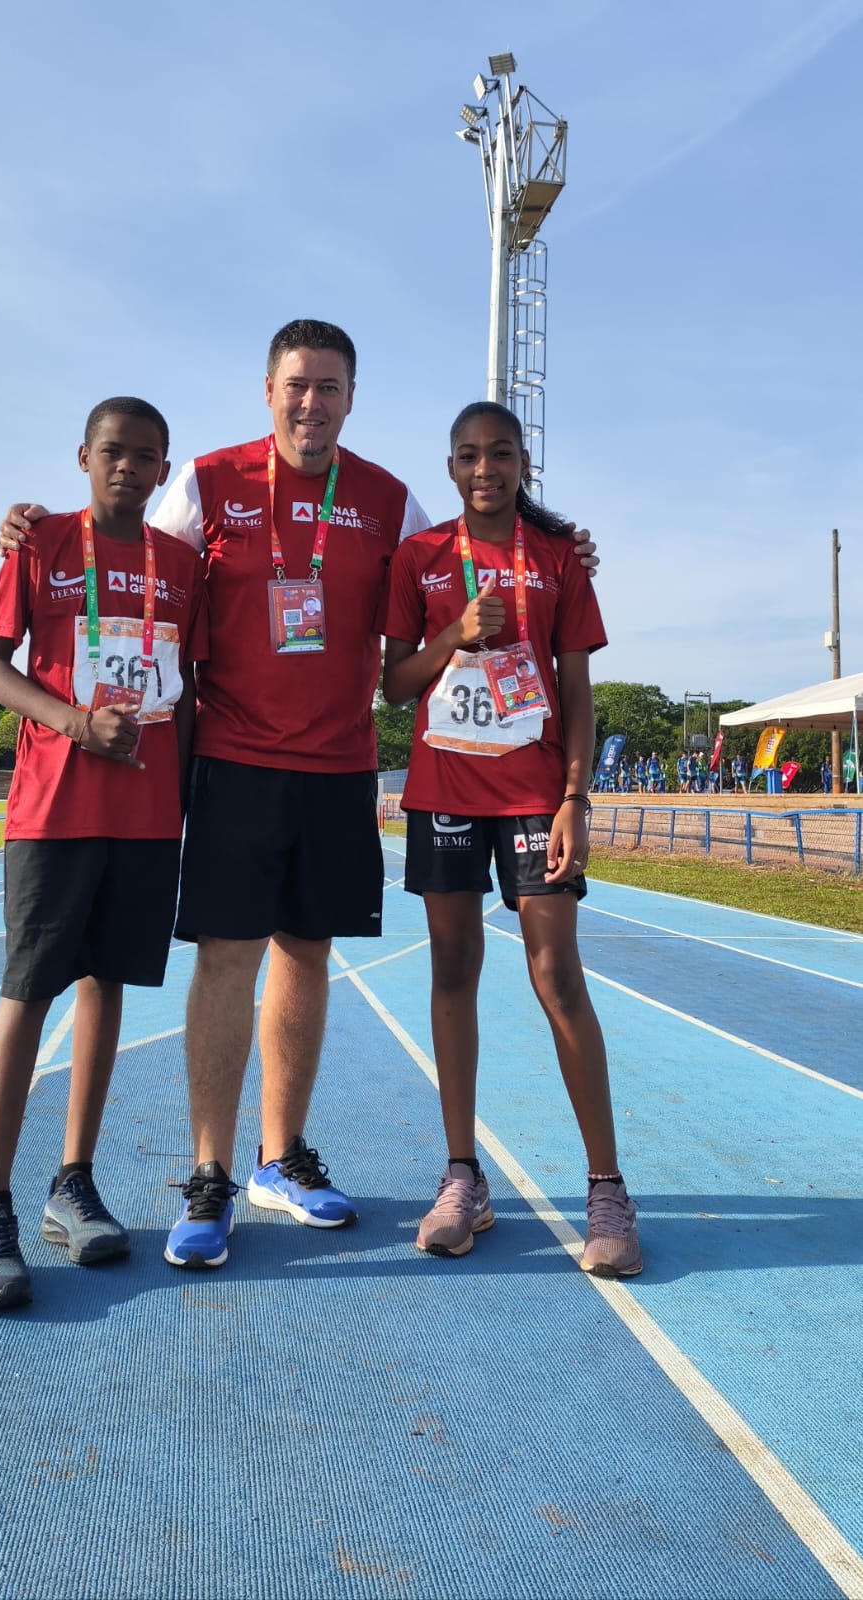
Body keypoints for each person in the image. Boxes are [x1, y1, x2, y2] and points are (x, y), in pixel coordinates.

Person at [0, 319, 600, 1272]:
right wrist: (27, 529)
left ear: (351, 399)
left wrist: (564, 547)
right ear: (266, 390)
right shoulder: (203, 483)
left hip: (339, 767)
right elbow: (126, 569)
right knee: (228, 960)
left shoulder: (386, 500)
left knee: (306, 955)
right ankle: (209, 1173)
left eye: (329, 386)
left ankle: (281, 1157)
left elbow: (467, 555)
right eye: (296, 385)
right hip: (233, 761)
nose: (311, 402)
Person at [380, 400, 641, 1277]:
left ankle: (606, 1188)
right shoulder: (418, 558)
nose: (483, 468)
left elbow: (576, 691)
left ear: (522, 461)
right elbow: (393, 683)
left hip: (533, 793)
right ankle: (462, 1178)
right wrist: (452, 634)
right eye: (466, 456)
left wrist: (577, 798)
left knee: (555, 974)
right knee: (452, 970)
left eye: (498, 453)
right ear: (448, 468)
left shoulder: (560, 559)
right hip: (445, 789)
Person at [0, 397, 207, 1311]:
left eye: (147, 457)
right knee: (27, 991)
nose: (129, 469)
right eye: (113, 453)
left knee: (108, 988)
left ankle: (74, 1182)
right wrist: (69, 722)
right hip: (53, 810)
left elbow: (193, 688)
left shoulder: (182, 566)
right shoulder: (40, 544)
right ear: (83, 457)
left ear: (163, 468)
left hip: (146, 819)